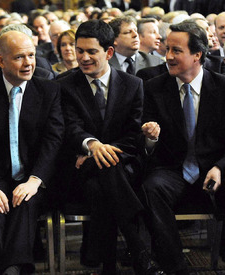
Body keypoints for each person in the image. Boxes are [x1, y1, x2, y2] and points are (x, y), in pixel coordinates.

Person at [57, 19, 159, 275]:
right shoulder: (64, 85)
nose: (83, 57)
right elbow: (70, 128)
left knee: (102, 186)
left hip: (118, 165)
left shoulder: (133, 85)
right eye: (80, 51)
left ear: (109, 52)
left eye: (92, 51)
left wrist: (97, 153)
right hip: (80, 172)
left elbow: (132, 136)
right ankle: (139, 249)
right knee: (104, 177)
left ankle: (107, 265)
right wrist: (92, 145)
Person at [0, 30, 64, 275]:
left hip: (34, 176)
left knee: (25, 201)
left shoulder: (49, 90)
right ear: (0, 61)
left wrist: (35, 180)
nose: (28, 63)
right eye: (19, 57)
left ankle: (9, 270)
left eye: (31, 55)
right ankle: (12, 269)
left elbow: (54, 141)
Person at [142, 21, 225, 274]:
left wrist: (220, 167)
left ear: (197, 54)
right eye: (167, 50)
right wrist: (149, 139)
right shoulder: (154, 88)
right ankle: (175, 268)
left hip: (218, 169)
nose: (168, 57)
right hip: (174, 170)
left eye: (176, 50)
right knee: (151, 187)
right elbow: (144, 147)